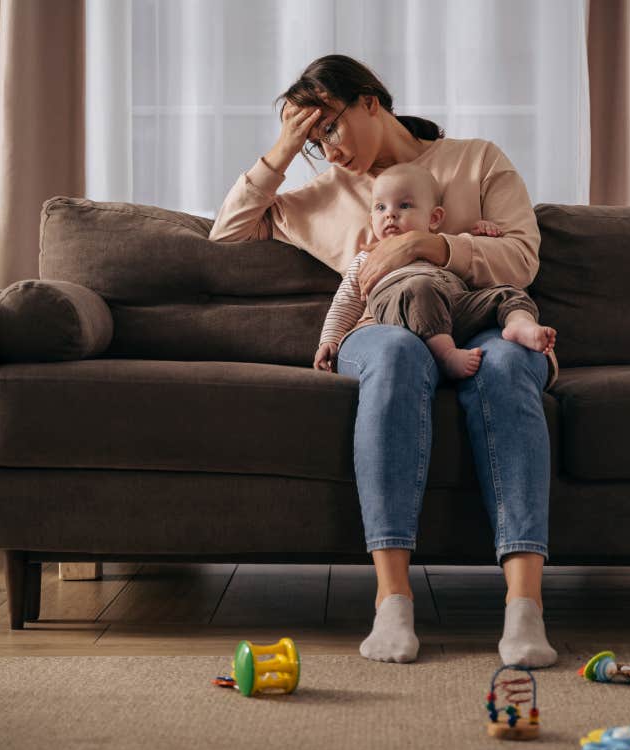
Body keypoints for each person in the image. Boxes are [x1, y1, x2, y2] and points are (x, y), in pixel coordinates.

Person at [209, 54, 558, 668]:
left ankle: (524, 607)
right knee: (396, 352)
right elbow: (228, 233)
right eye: (316, 138)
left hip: (481, 319)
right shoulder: (324, 196)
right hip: (384, 328)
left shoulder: (476, 159)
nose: (328, 147)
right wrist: (285, 150)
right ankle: (392, 600)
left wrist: (432, 244)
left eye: (330, 127)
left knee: (504, 365)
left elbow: (522, 258)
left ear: (371, 101)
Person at [312, 162, 557, 380]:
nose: (390, 214)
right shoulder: (367, 257)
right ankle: (446, 355)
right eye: (380, 208)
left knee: (508, 293)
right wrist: (329, 340)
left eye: (404, 205)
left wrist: (484, 233)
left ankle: (519, 325)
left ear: (434, 218)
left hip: (453, 309)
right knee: (420, 287)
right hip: (403, 311)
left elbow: (476, 262)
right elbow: (345, 301)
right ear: (371, 220)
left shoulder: (444, 244)